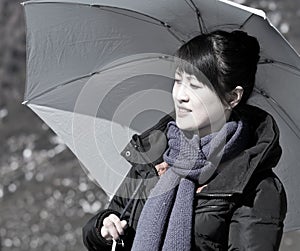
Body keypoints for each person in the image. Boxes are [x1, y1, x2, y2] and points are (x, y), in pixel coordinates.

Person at [82, 30, 287, 251]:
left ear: (232, 97)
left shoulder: (254, 186)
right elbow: (117, 213)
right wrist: (103, 229)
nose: (180, 95)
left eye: (195, 86)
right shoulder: (157, 151)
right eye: (178, 81)